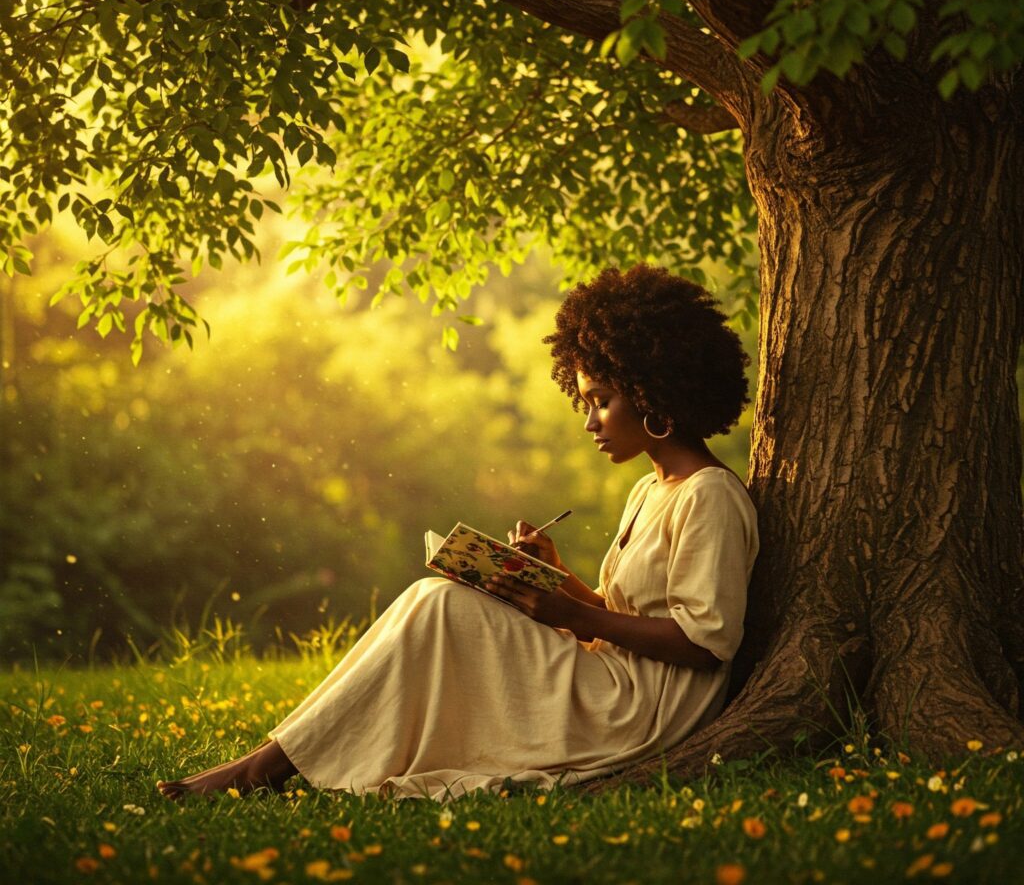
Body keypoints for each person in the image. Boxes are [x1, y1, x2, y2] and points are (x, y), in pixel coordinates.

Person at [157, 265, 758, 801]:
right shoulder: (651, 489)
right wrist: (556, 579)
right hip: (610, 673)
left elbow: (705, 644)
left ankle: (260, 770)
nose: (588, 422)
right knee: (438, 600)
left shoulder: (710, 495)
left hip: (640, 709)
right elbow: (620, 609)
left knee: (436, 604)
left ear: (654, 394)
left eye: (600, 401)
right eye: (584, 402)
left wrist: (572, 618)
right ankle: (267, 762)